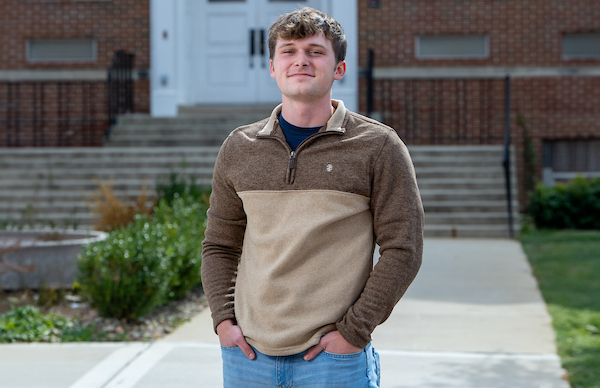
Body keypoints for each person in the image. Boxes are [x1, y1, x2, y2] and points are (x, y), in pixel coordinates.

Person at [201, 7, 424, 388]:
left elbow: (403, 248)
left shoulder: (378, 146)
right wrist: (224, 321)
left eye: (315, 51)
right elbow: (220, 245)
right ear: (272, 67)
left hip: (333, 361)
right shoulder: (240, 147)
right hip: (248, 358)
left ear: (338, 68)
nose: (300, 60)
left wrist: (355, 332)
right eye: (288, 51)